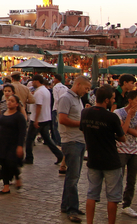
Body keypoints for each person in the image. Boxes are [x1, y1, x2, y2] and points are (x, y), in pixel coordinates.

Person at [80, 85, 126, 224]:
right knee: (113, 197)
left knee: (92, 194)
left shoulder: (85, 113)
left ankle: (89, 222)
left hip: (94, 158)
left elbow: (83, 129)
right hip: (110, 160)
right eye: (112, 98)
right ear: (106, 100)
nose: (113, 100)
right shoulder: (111, 117)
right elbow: (122, 137)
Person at [58, 76, 91, 223]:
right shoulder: (66, 98)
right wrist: (81, 124)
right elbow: (62, 119)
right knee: (73, 177)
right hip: (71, 141)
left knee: (73, 175)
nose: (87, 91)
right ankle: (72, 208)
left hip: (78, 140)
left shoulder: (78, 98)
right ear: (78, 85)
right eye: (86, 88)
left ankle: (66, 205)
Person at [113, 89, 137, 218]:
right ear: (130, 100)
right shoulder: (118, 112)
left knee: (132, 180)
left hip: (135, 150)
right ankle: (114, 202)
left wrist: (124, 125)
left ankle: (127, 205)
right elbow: (122, 133)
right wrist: (129, 116)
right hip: (121, 149)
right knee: (118, 177)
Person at [24, 74, 63, 165]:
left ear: (37, 81)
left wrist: (36, 119)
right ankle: (59, 154)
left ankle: (29, 157)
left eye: (33, 81)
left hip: (39, 119)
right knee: (47, 139)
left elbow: (39, 106)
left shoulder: (39, 92)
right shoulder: (45, 90)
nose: (32, 83)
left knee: (29, 139)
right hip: (46, 118)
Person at [0, 94, 27, 195]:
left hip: (13, 144)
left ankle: (17, 176)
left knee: (11, 163)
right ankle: (6, 186)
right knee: (3, 164)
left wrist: (20, 146)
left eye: (12, 101)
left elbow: (22, 132)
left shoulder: (19, 116)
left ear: (16, 104)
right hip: (2, 144)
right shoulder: (4, 113)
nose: (9, 102)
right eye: (8, 100)